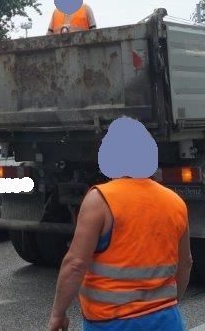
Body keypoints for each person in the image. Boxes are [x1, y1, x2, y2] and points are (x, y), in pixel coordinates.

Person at [47, 117, 192, 331]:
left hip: (112, 324)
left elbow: (76, 264)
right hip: (165, 320)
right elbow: (185, 262)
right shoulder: (175, 202)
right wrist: (168, 304)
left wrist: (58, 314)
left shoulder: (100, 200)